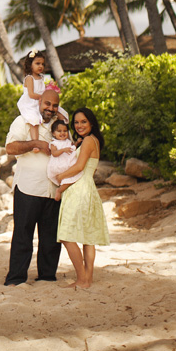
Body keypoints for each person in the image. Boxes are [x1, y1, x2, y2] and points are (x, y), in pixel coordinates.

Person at [4, 87, 62, 286]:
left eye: (55, 105)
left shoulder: (60, 126)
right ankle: (16, 278)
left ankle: (47, 277)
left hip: (53, 190)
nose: (50, 108)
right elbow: (10, 148)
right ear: (39, 103)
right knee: (23, 235)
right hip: (28, 187)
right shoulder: (23, 121)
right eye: (47, 104)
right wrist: (34, 143)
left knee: (51, 237)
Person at [55, 108, 110, 289]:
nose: (79, 125)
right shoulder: (93, 140)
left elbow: (79, 167)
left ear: (91, 123)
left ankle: (81, 279)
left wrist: (60, 176)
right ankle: (87, 279)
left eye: (83, 122)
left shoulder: (87, 141)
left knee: (66, 235)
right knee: (88, 237)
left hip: (79, 189)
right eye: (76, 122)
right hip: (88, 189)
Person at [47, 119, 82, 201]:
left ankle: (61, 191)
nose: (62, 133)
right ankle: (59, 190)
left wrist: (77, 143)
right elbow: (54, 153)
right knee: (69, 178)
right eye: (59, 131)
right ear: (53, 133)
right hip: (59, 165)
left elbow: (72, 149)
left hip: (68, 163)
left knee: (71, 178)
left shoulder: (68, 142)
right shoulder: (54, 143)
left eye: (65, 131)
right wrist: (63, 150)